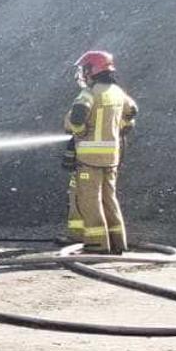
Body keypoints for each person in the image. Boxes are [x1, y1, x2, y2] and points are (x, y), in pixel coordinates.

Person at [63, 50, 139, 254]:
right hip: (112, 157)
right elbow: (132, 111)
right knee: (109, 198)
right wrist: (120, 126)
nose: (83, 74)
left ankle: (97, 244)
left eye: (85, 69)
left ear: (93, 70)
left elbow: (77, 118)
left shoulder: (89, 94)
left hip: (89, 158)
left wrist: (78, 131)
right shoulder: (117, 92)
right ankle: (117, 241)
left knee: (89, 200)